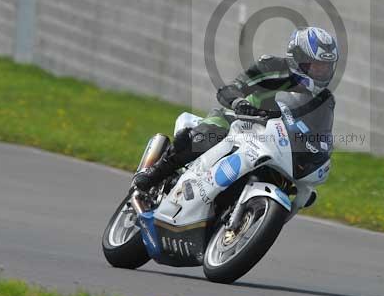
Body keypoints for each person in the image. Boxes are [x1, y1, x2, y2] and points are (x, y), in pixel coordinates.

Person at [133, 26, 339, 191]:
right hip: (240, 122)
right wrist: (240, 103)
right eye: (315, 66)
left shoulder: (325, 100)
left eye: (325, 67)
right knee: (205, 137)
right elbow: (231, 88)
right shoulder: (272, 67)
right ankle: (155, 173)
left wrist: (319, 152)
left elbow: (321, 134)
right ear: (298, 58)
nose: (321, 72)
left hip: (275, 143)